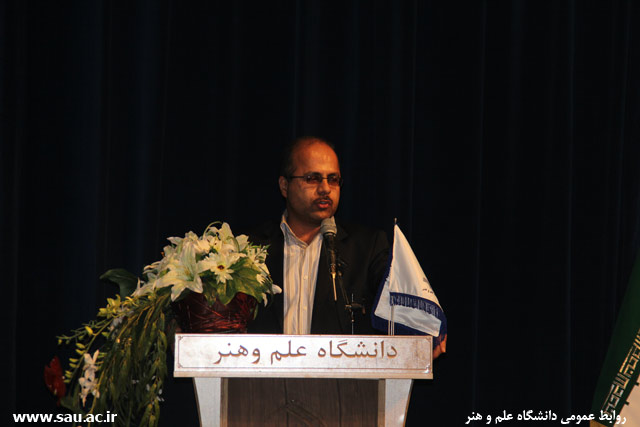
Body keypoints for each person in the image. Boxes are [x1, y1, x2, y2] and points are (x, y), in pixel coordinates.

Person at [248, 136, 390, 335]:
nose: (325, 189)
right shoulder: (248, 248)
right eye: (312, 178)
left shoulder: (367, 248)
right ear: (284, 186)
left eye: (333, 179)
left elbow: (403, 307)